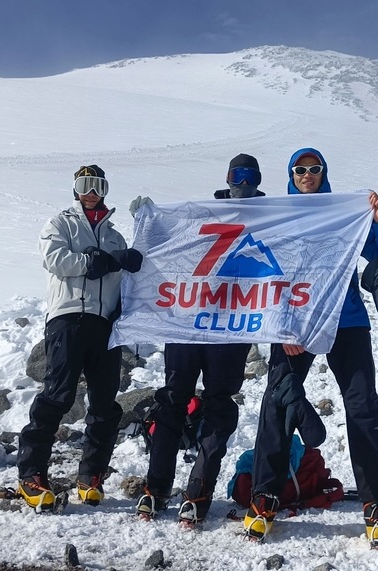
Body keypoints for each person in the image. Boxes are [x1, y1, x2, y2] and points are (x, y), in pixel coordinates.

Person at [243, 148, 378, 549]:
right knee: (278, 402)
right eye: (300, 169)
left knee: (363, 405)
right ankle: (265, 495)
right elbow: (267, 274)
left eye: (314, 169)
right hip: (295, 324)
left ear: (323, 172)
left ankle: (376, 502)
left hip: (346, 319)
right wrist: (282, 327)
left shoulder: (344, 212)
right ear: (291, 174)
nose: (307, 174)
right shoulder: (280, 217)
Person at [134, 153, 266, 528]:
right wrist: (147, 221)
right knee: (172, 400)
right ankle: (156, 487)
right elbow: (167, 246)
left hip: (232, 331)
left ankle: (199, 491)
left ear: (259, 180)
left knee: (219, 406)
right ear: (227, 177)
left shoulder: (272, 217)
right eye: (238, 175)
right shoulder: (203, 215)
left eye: (251, 176)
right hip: (188, 324)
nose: (244, 182)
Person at [16, 164, 144, 512]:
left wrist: (131, 269)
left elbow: (123, 279)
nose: (91, 192)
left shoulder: (115, 236)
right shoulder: (60, 224)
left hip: (105, 324)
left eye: (97, 185)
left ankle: (91, 475)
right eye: (85, 184)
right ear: (75, 189)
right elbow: (55, 259)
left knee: (104, 402)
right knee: (57, 396)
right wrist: (95, 262)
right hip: (68, 318)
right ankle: (31, 473)